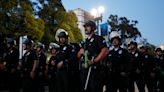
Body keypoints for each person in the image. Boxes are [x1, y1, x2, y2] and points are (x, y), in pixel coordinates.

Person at [77, 20, 108, 92]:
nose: (85, 28)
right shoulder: (84, 42)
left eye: (87, 26)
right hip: (85, 70)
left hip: (95, 71)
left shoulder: (98, 38)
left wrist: (94, 60)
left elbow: (105, 50)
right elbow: (78, 56)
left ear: (93, 28)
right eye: (85, 26)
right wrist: (80, 52)